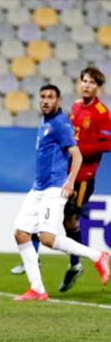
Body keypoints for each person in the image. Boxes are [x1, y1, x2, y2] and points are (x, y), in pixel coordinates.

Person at [13, 84, 109, 301]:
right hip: (38, 188)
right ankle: (37, 289)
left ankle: (98, 256)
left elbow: (77, 155)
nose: (46, 100)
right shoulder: (45, 120)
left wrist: (70, 182)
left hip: (54, 188)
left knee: (47, 238)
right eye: (43, 96)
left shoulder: (60, 123)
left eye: (50, 97)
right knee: (21, 233)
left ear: (58, 101)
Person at [59, 66, 111, 291]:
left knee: (69, 220)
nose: (87, 85)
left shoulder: (102, 113)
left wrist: (80, 149)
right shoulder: (76, 106)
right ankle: (75, 263)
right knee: (64, 221)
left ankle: (76, 263)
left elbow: (108, 143)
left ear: (98, 87)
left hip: (84, 175)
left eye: (91, 82)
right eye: (84, 81)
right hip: (68, 171)